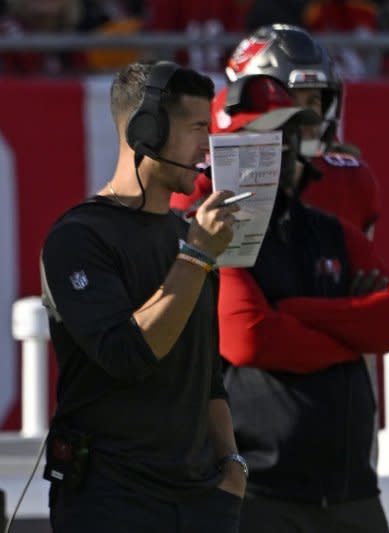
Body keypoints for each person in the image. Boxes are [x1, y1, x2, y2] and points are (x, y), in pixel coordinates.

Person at [171, 74, 389, 533]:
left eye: (286, 134)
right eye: (264, 134)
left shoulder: (328, 228)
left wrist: (298, 311)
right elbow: (251, 337)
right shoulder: (208, 229)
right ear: (223, 146)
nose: (281, 148)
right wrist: (350, 328)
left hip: (350, 492)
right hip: (261, 491)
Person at [39, 60, 245, 532]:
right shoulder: (78, 238)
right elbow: (128, 354)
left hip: (200, 503)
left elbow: (208, 376)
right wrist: (196, 256)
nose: (206, 148)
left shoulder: (189, 236)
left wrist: (232, 467)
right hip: (111, 501)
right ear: (147, 131)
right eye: (196, 129)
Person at [225, 23, 381, 238]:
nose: (302, 117)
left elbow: (364, 266)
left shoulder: (349, 180)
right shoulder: (210, 180)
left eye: (313, 100)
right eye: (285, 100)